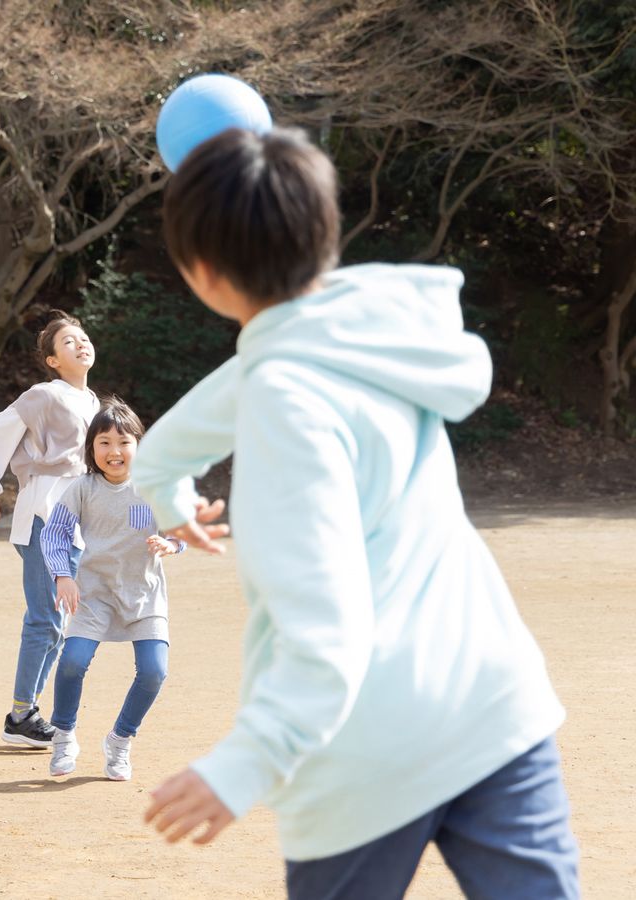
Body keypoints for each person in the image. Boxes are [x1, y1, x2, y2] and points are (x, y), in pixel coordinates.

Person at [135, 127, 578, 898]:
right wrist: (170, 498)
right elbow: (167, 449)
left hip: (364, 752)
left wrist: (244, 764)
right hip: (492, 705)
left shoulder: (281, 396)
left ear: (202, 274)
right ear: (325, 232)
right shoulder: (380, 332)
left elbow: (325, 625)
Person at [0, 311, 101, 748]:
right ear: (51, 360)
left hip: (75, 517)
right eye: (68, 342)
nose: (81, 344)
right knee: (45, 619)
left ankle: (27, 712)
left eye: (83, 338)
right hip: (44, 509)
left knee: (59, 623)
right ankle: (21, 713)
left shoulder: (93, 402)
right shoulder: (44, 394)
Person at [39, 399, 183, 781]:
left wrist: (171, 544)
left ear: (139, 446)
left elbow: (178, 527)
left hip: (144, 594)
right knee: (72, 663)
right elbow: (54, 533)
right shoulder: (82, 489)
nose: (114, 451)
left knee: (154, 672)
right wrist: (62, 574)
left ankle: (120, 740)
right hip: (94, 593)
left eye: (123, 442)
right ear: (91, 449)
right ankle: (64, 735)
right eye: (104, 442)